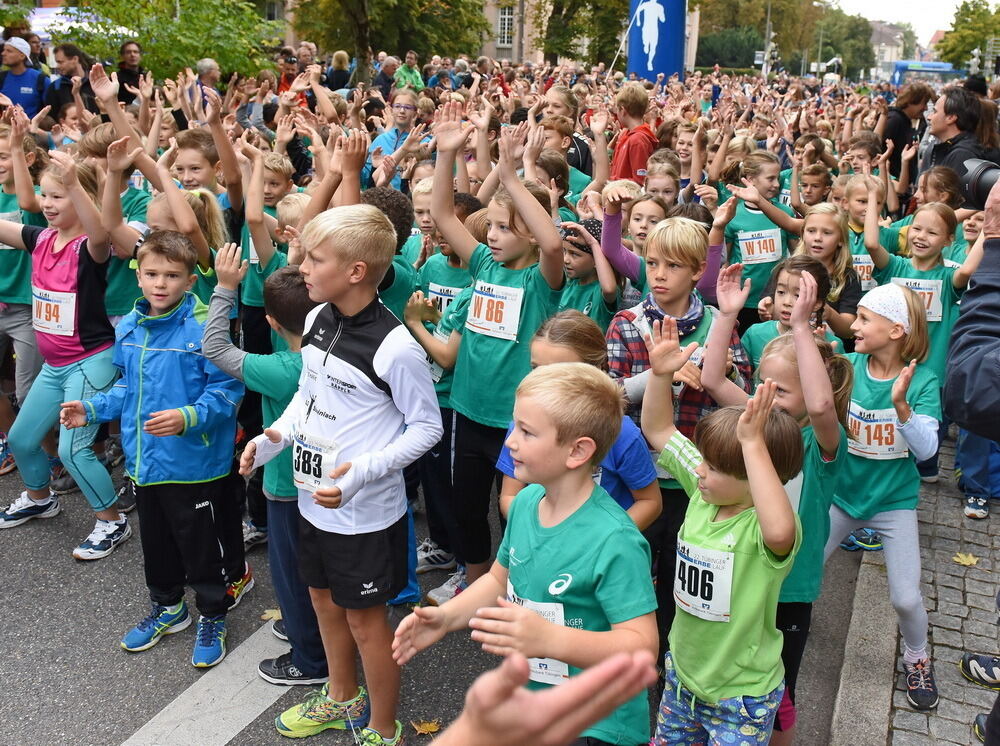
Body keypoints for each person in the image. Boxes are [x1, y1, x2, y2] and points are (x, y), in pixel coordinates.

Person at [242, 204, 442, 745]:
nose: (301, 265)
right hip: (312, 497)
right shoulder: (314, 317)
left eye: (315, 257)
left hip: (365, 511)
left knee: (366, 622)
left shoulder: (397, 346)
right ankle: (340, 696)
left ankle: (382, 726)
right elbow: (309, 398)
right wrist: (272, 440)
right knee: (324, 603)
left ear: (356, 271)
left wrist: (362, 473)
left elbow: (427, 429)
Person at [393, 361, 660, 746]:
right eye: (513, 425)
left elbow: (641, 646)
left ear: (577, 451)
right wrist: (447, 618)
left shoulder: (615, 540)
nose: (509, 441)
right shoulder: (525, 502)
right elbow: (500, 579)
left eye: (527, 432)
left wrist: (551, 639)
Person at [60, 230, 244, 667]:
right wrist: (92, 407)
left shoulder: (203, 329)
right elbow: (128, 387)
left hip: (194, 464)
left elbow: (229, 390)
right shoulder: (128, 325)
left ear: (190, 281)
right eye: (152, 274)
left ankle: (213, 613)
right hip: (145, 463)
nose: (160, 283)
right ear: (138, 277)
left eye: (172, 275)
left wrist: (188, 418)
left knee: (200, 546)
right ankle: (168, 607)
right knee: (156, 543)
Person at [700, 264, 851, 744]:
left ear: (814, 390)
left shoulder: (822, 444)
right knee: (736, 679)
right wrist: (726, 316)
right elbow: (711, 377)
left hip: (789, 589)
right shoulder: (759, 425)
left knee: (778, 695)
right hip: (744, 580)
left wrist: (802, 328)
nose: (765, 397)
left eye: (781, 390)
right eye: (763, 385)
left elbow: (823, 408)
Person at [426, 101, 563, 599]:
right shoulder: (483, 263)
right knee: (466, 508)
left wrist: (509, 175)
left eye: (506, 227)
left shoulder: (540, 280)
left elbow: (551, 245)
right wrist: (446, 156)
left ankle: (520, 584)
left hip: (516, 419)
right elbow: (442, 213)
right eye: (494, 227)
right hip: (468, 411)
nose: (495, 235)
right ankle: (477, 576)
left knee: (519, 509)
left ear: (527, 229)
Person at [641, 322, 803, 744]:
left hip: (741, 698)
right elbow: (659, 430)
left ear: (754, 474)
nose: (698, 470)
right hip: (683, 680)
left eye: (712, 467)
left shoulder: (764, 528)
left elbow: (782, 531)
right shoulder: (703, 492)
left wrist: (753, 445)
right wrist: (659, 375)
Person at [202, 244, 328, 686]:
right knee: (313, 570)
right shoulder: (329, 347)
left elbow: (214, 345)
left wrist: (224, 288)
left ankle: (309, 658)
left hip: (286, 484)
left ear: (271, 323)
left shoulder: (278, 367)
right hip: (324, 481)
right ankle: (309, 632)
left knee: (292, 575)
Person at [0, 152, 129, 559]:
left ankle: (112, 521)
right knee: (21, 438)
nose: (48, 204)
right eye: (45, 195)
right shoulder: (39, 239)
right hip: (55, 366)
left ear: (81, 197)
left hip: (91, 360)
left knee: (74, 449)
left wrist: (75, 181)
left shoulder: (90, 248)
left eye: (59, 196)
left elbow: (102, 231)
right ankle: (40, 497)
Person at [825, 282, 941, 710]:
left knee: (906, 598)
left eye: (864, 319)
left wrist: (902, 407)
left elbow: (928, 451)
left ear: (896, 330)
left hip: (894, 504)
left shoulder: (922, 380)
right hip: (842, 497)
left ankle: (917, 656)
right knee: (797, 575)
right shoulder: (847, 365)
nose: (853, 325)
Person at [495, 310, 661, 528]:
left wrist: (601, 541)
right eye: (536, 368)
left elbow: (650, 502)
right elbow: (509, 497)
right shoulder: (523, 426)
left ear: (594, 370)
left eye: (560, 371)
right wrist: (536, 530)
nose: (544, 379)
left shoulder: (621, 434)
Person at [921, 86, 983, 182]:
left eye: (935, 111)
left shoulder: (962, 155)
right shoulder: (937, 147)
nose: (929, 117)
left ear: (951, 117)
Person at [610, 83, 657, 184]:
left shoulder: (637, 140)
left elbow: (640, 181)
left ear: (622, 110)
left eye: (617, 109)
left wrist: (612, 182)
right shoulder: (628, 134)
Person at [45, 43, 97, 116]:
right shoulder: (55, 87)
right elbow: (51, 117)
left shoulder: (95, 82)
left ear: (75, 59)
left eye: (60, 62)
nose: (57, 66)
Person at [0, 37, 46, 118]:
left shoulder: (41, 79)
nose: (3, 53)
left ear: (22, 55)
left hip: (31, 129)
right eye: (4, 50)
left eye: (9, 51)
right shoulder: (1, 78)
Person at [116, 40, 145, 105]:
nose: (132, 55)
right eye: (128, 52)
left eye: (135, 52)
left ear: (140, 56)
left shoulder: (145, 77)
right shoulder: (116, 78)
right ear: (123, 56)